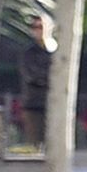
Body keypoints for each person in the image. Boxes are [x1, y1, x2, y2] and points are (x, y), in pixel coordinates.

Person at [18, 12, 53, 150]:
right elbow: (30, 75)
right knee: (35, 145)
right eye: (35, 27)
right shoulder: (28, 53)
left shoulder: (57, 51)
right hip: (34, 104)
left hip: (55, 105)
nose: (38, 30)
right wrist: (49, 79)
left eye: (41, 26)